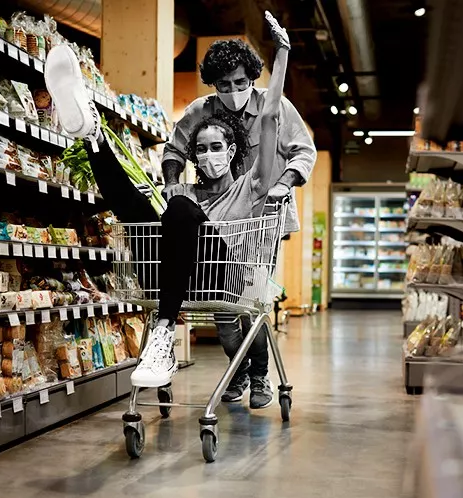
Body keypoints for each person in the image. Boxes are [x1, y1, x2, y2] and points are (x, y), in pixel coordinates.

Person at [44, 13, 293, 403]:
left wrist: (281, 55)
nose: (209, 155)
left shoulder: (253, 185)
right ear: (191, 155)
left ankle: (163, 332)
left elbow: (270, 116)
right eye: (201, 148)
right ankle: (93, 135)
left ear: (233, 152)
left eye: (217, 147)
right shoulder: (187, 192)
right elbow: (161, 204)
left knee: (177, 207)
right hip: (176, 277)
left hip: (223, 276)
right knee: (140, 209)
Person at [162, 32, 316, 409]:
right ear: (213, 84)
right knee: (223, 307)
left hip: (263, 216)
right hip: (217, 217)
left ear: (253, 78)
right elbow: (174, 149)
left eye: (241, 82)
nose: (233, 90)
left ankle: (260, 376)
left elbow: (303, 152)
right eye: (224, 84)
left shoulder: (273, 107)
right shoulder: (202, 110)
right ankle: (238, 368)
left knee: (251, 303)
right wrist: (171, 185)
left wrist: (282, 185)